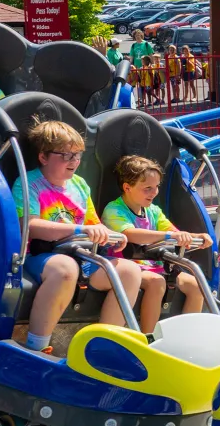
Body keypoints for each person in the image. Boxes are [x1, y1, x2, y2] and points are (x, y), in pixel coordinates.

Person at [16, 120, 142, 353]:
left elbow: (93, 224)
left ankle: (103, 349)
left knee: (130, 271)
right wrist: (78, 230)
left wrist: (112, 235)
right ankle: (37, 347)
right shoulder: (29, 183)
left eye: (77, 155)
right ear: (43, 157)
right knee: (65, 269)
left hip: (82, 255)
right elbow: (30, 226)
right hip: (43, 253)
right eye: (66, 155)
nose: (74, 161)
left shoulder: (80, 185)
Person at [101, 155, 213, 333]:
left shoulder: (153, 211)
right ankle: (148, 337)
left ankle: (187, 337)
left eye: (156, 187)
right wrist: (169, 236)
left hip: (155, 266)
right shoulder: (114, 210)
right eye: (147, 188)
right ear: (127, 187)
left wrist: (195, 237)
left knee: (197, 285)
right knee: (157, 283)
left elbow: (174, 233)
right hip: (130, 267)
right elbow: (130, 234)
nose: (153, 193)